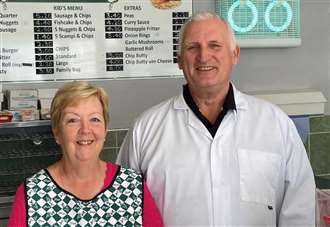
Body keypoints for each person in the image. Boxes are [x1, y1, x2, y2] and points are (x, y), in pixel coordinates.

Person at [116, 11, 316, 226]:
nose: (203, 56)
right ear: (179, 60)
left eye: (215, 45)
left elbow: (299, 209)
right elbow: (124, 209)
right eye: (193, 47)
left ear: (235, 55)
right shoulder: (145, 130)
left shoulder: (276, 124)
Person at [8, 81, 163, 227]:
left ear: (105, 129)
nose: (85, 130)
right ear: (57, 132)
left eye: (94, 119)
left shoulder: (132, 186)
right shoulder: (32, 194)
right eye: (73, 120)